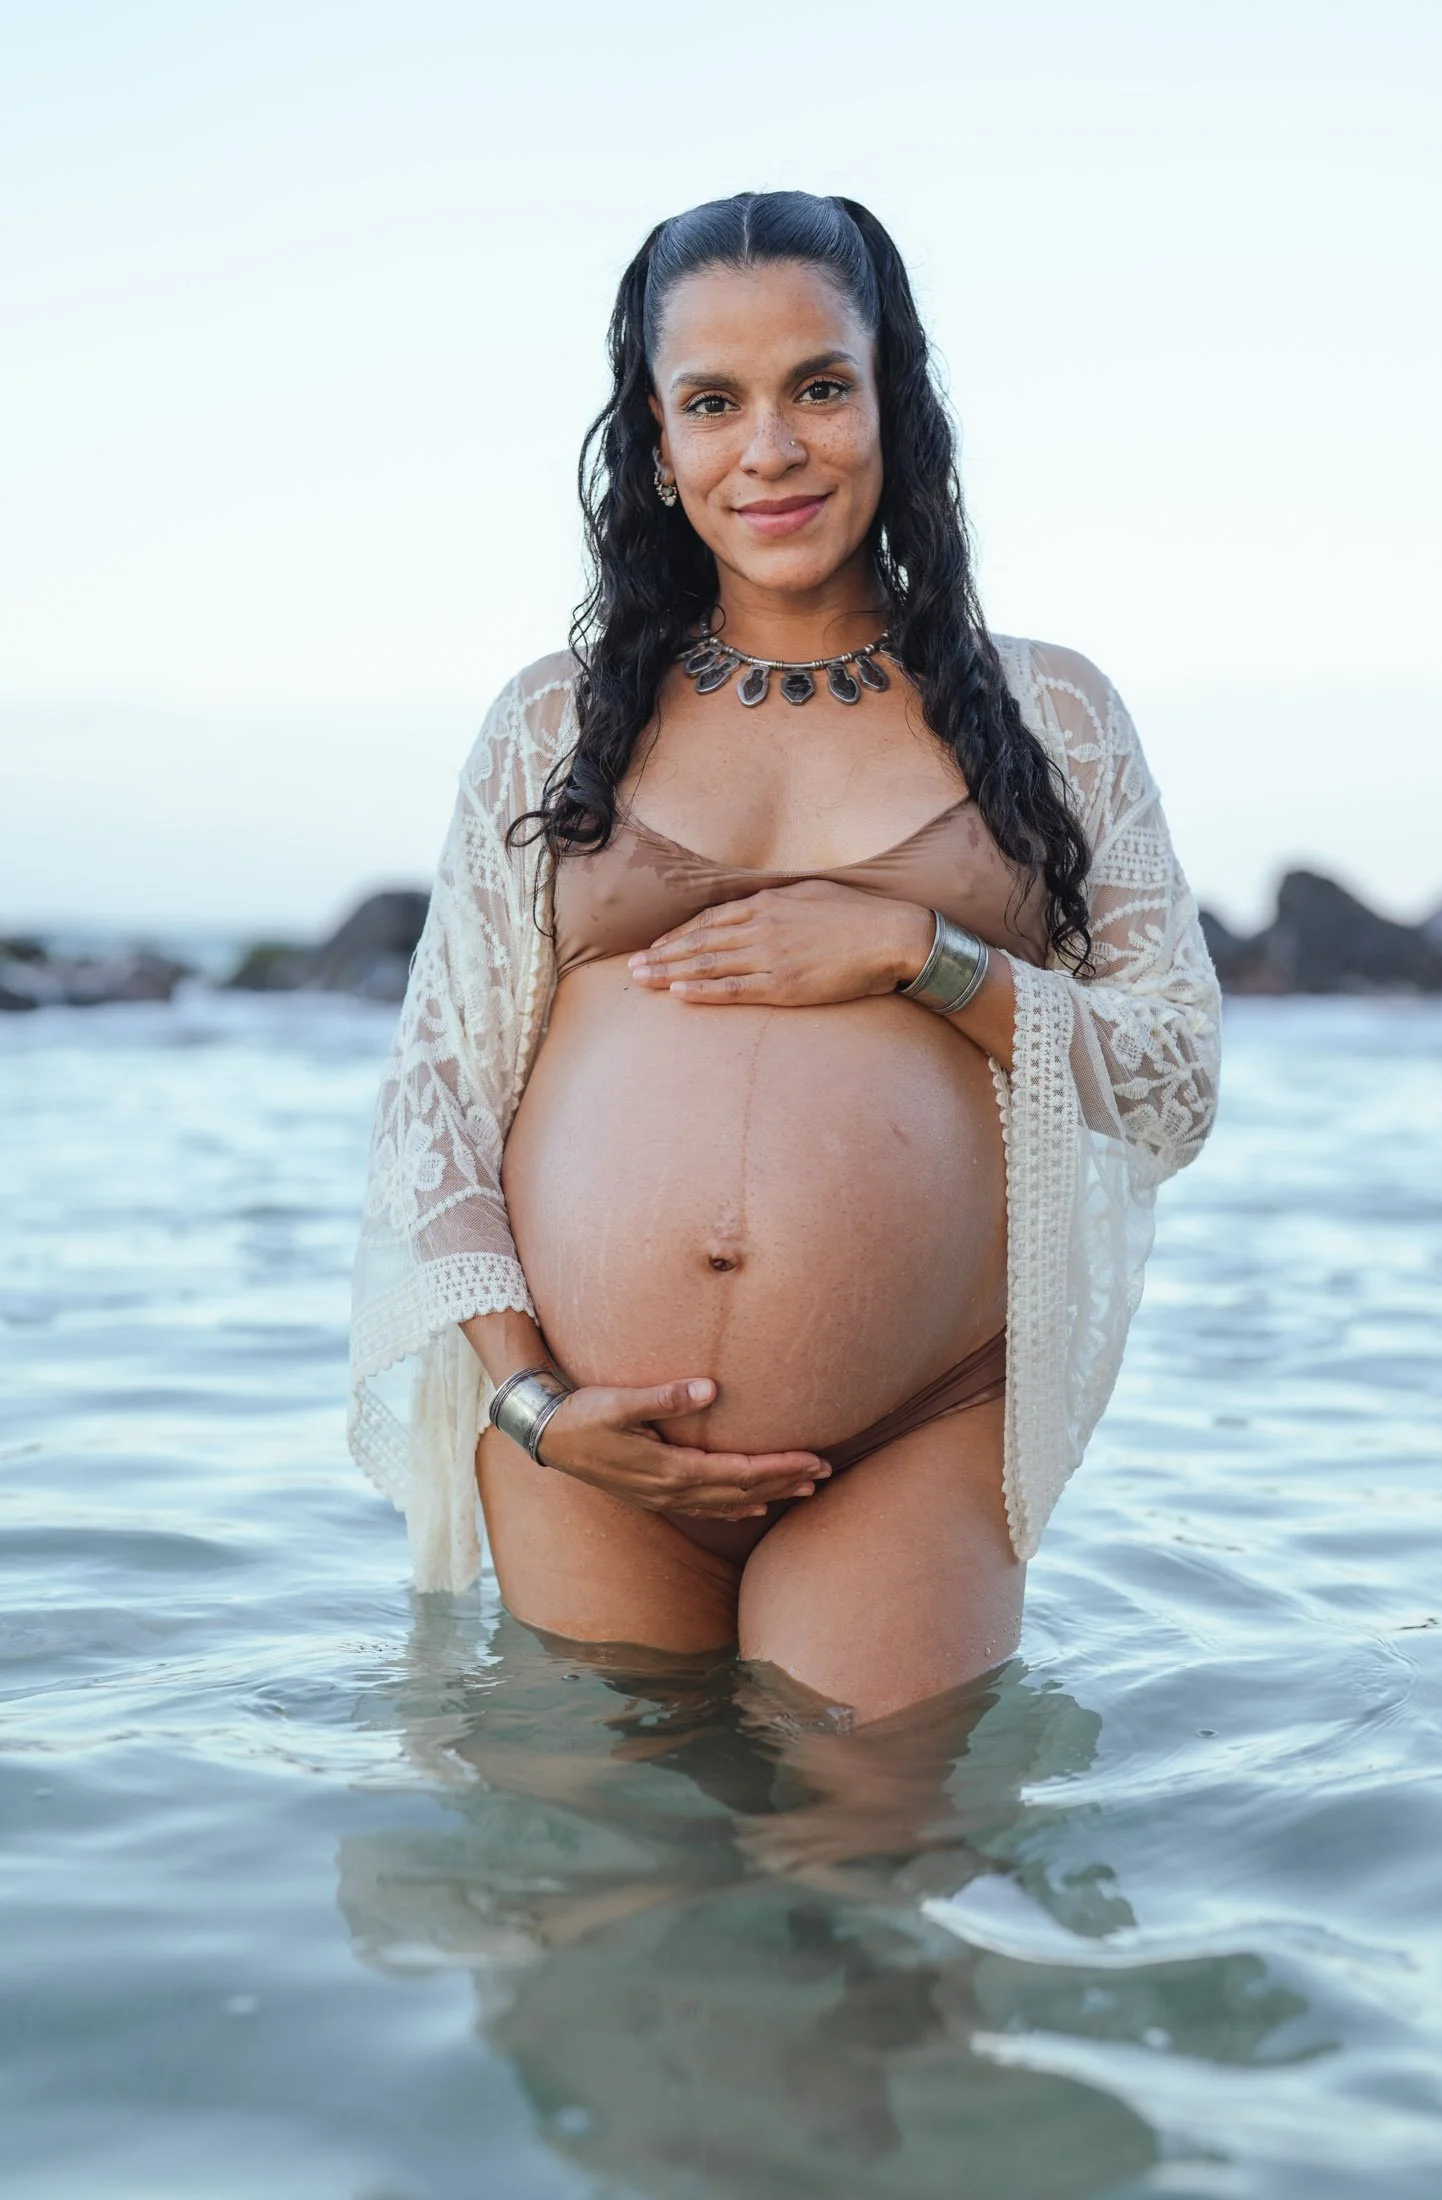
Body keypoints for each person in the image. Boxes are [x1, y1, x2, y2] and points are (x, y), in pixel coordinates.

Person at [349, 191, 1220, 1723]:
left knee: (870, 1904)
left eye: (819, 385)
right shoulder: (552, 725)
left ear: (896, 400)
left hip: (909, 1428)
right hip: (585, 1445)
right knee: (607, 1924)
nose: (770, 449)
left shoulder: (1051, 719)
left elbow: (1173, 1079)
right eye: (713, 402)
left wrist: (921, 953)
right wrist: (538, 1404)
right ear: (656, 436)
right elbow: (436, 1100)